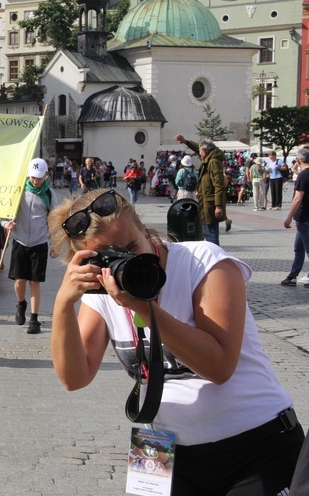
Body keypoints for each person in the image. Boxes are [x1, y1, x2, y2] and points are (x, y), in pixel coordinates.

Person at [48, 188, 304, 494]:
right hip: (159, 449)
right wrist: (63, 304)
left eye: (131, 246)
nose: (127, 261)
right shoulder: (102, 291)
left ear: (144, 228)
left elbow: (219, 366)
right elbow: (75, 378)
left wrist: (142, 306)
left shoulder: (204, 262)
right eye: (110, 257)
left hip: (255, 446)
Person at [1, 158, 55, 335]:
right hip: (20, 241)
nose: (35, 181)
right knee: (19, 281)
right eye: (32, 177)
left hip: (39, 243)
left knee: (35, 282)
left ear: (46, 175)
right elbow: (4, 211)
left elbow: (55, 219)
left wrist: (54, 241)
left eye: (39, 177)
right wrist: (5, 223)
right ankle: (21, 303)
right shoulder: (19, 191)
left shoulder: (49, 194)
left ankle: (34, 318)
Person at [175, 135, 228, 245]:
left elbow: (219, 185)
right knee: (208, 231)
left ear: (205, 151)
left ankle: (214, 257)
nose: (199, 152)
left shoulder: (213, 162)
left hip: (211, 203)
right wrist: (186, 141)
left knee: (210, 233)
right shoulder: (209, 157)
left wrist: (218, 206)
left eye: (200, 150)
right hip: (206, 201)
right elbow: (197, 148)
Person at [280, 146, 309, 287]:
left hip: (304, 217)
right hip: (303, 218)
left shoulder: (303, 175)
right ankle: (292, 276)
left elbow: (298, 198)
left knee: (307, 247)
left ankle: (293, 276)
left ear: (298, 159)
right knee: (299, 247)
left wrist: (289, 217)